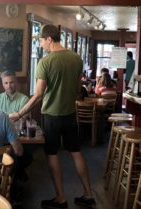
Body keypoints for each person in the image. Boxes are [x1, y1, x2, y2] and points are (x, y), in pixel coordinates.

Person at [9, 24, 96, 209]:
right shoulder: (76, 58)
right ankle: (88, 194)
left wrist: (19, 113)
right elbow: (77, 89)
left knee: (52, 154)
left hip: (51, 116)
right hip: (70, 114)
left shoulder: (46, 62)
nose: (40, 45)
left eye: (41, 41)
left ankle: (61, 197)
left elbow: (39, 94)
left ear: (49, 39)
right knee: (76, 152)